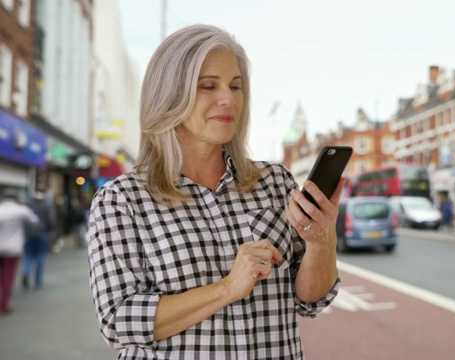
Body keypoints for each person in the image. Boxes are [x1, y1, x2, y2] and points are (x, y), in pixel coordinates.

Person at [87, 24, 346, 359]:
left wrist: (321, 241)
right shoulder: (121, 200)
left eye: (235, 86)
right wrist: (226, 288)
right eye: (208, 85)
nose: (228, 98)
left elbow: (310, 301)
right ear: (169, 95)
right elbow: (118, 321)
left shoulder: (275, 182)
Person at [0, 189, 39, 315]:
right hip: (13, 248)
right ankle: (4, 303)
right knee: (8, 276)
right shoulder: (20, 210)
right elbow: (35, 221)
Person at [22, 184, 57, 288]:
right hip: (43, 233)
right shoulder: (47, 203)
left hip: (29, 233)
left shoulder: (28, 202)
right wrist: (51, 229)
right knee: (41, 256)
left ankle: (26, 272)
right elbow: (51, 220)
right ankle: (38, 280)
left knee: (28, 255)